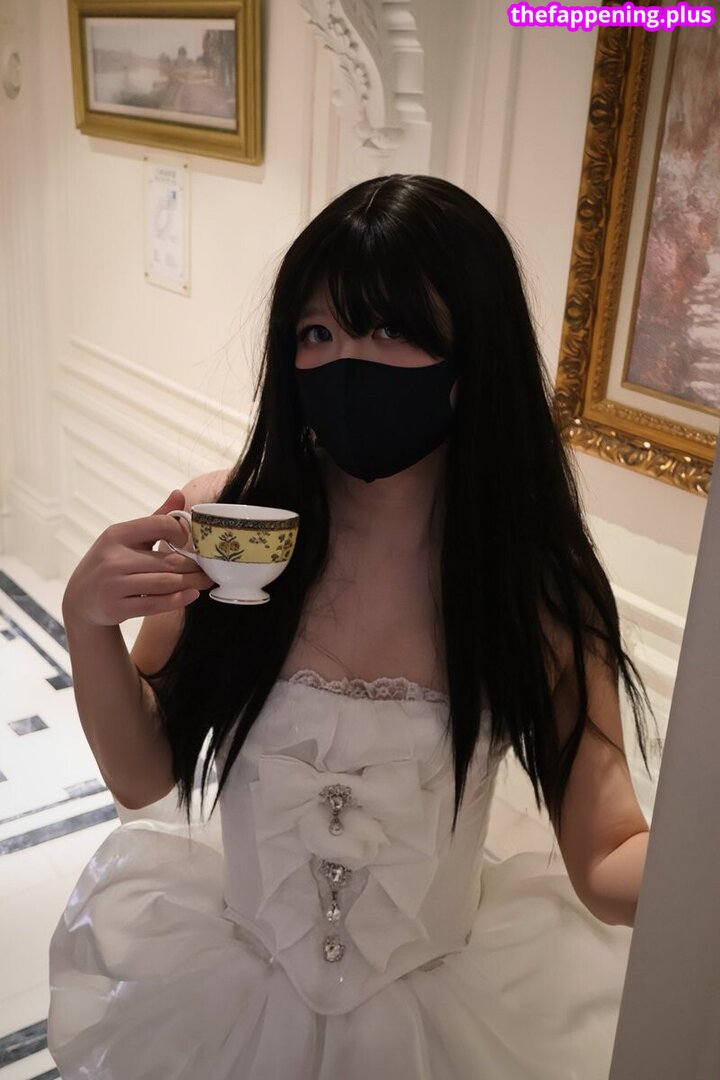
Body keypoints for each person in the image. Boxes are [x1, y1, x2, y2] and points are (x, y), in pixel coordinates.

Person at [48, 174, 658, 1079]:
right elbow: (142, 773)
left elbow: (607, 854)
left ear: (473, 354)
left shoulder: (531, 582)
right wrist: (87, 622)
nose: (345, 362)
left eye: (387, 330)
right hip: (225, 996)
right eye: (317, 334)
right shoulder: (231, 526)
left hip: (452, 1018)